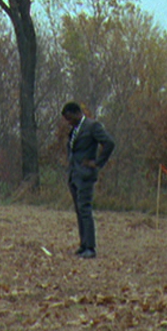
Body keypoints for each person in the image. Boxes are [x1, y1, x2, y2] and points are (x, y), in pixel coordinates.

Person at [61, 102, 115, 259]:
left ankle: (90, 248)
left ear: (77, 113)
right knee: (79, 210)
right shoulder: (74, 130)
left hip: (85, 175)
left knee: (85, 209)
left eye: (70, 118)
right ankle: (83, 244)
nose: (68, 122)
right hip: (74, 175)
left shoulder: (92, 126)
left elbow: (109, 143)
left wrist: (97, 163)